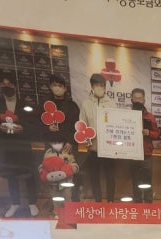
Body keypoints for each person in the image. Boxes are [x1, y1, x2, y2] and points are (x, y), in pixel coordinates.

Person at [0, 71, 39, 218]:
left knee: (29, 174)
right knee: (11, 175)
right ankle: (15, 203)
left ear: (15, 86)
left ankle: (32, 203)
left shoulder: (26, 105)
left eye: (9, 84)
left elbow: (33, 125)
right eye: (3, 84)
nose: (7, 86)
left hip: (22, 143)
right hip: (6, 144)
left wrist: (23, 128)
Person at [41, 74, 81, 201]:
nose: (57, 88)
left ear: (65, 88)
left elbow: (77, 126)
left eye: (60, 86)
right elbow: (35, 123)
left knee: (68, 175)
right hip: (50, 145)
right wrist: (47, 128)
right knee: (52, 175)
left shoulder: (72, 106)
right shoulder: (44, 104)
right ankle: (55, 205)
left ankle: (71, 203)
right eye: (54, 85)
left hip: (67, 147)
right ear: (50, 86)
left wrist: (71, 141)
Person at [78, 73, 116, 202]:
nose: (100, 88)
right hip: (93, 148)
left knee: (110, 175)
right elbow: (82, 124)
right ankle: (98, 200)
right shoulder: (86, 104)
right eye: (97, 85)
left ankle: (110, 200)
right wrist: (86, 140)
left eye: (102, 85)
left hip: (109, 148)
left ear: (105, 87)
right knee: (94, 176)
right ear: (92, 86)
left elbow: (116, 124)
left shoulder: (111, 104)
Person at [129, 88, 160, 203]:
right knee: (135, 179)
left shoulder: (150, 116)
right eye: (135, 98)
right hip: (132, 153)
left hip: (147, 153)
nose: (138, 100)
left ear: (144, 100)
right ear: (132, 99)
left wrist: (149, 133)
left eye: (140, 98)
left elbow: (157, 134)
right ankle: (137, 201)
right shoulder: (126, 115)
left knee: (147, 179)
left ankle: (148, 202)